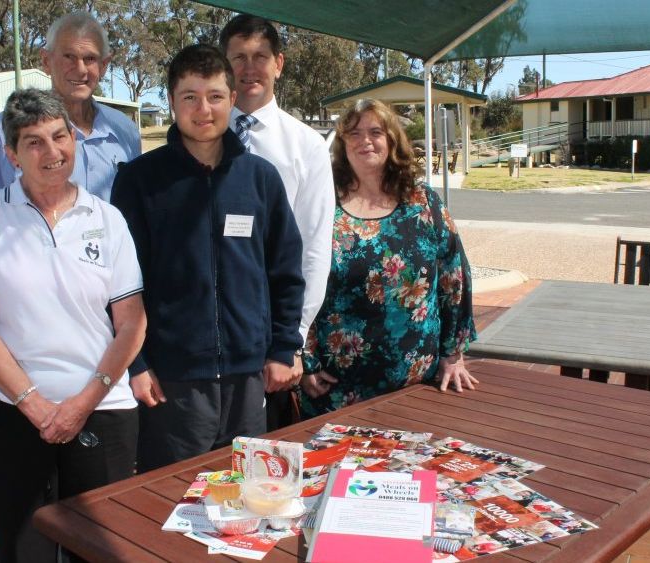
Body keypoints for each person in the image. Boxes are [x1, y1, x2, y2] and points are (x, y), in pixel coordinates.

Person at [0, 88, 146, 563]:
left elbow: (131, 323)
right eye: (33, 142)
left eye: (60, 136)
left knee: (101, 551)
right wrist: (34, 404)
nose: (52, 151)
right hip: (10, 413)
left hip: (103, 410)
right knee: (25, 553)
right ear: (11, 154)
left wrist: (82, 402)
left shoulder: (108, 219)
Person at [111, 44, 304, 472]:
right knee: (175, 499)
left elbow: (285, 271)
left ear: (232, 100)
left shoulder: (260, 179)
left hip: (249, 378)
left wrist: (283, 346)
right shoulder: (140, 182)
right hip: (173, 381)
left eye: (215, 96)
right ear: (172, 101)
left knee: (246, 497)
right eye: (190, 97)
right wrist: (136, 364)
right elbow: (120, 283)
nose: (204, 109)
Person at [299, 99, 477, 419]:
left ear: (392, 140)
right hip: (338, 388)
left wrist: (453, 355)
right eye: (353, 133)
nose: (364, 140)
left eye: (375, 131)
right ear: (342, 144)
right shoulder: (323, 204)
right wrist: (306, 359)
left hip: (418, 385)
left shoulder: (423, 201)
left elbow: (455, 278)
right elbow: (301, 283)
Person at [219, 15, 334, 430]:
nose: (249, 68)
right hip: (207, 334)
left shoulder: (307, 146)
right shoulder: (199, 138)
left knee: (262, 458)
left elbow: (315, 246)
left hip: (271, 331)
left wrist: (292, 339)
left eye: (260, 57)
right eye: (238, 58)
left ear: (279, 64)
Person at [0, 10, 141, 201]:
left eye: (90, 59)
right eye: (69, 57)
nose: (80, 70)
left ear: (104, 65)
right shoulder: (1, 130)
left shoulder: (125, 130)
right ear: (46, 61)